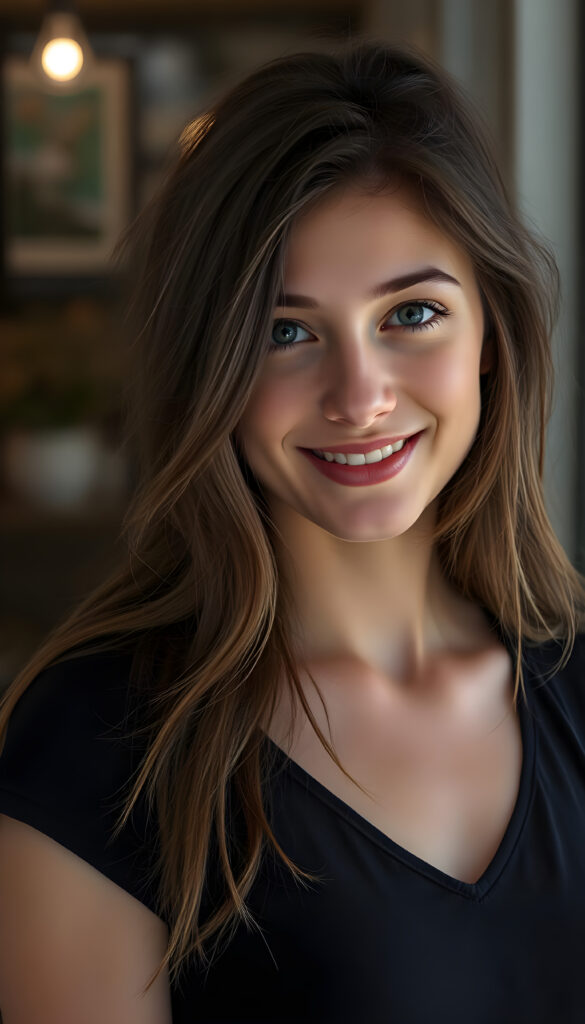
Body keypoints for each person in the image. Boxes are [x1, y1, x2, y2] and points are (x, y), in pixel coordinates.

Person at [0, 37, 584, 1024]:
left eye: (412, 313)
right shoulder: (97, 745)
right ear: (213, 371)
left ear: (493, 335)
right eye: (288, 331)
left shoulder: (571, 679)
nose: (360, 396)